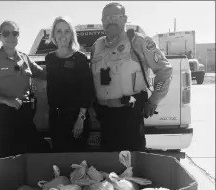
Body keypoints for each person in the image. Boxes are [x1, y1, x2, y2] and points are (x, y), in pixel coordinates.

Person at [91, 3, 173, 152]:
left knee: (133, 164)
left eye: (115, 17)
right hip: (104, 116)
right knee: (108, 165)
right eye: (106, 18)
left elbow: (164, 71)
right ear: (102, 21)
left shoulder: (138, 42)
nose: (110, 21)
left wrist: (154, 100)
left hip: (130, 115)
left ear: (124, 19)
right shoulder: (96, 46)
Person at [0, 20, 51, 159]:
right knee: (6, 161)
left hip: (23, 116)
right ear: (0, 37)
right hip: (1, 119)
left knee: (38, 153)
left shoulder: (24, 58)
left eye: (15, 33)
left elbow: (44, 73)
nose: (11, 36)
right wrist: (6, 100)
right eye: (6, 33)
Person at [45, 16, 95, 152]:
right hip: (56, 119)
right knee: (59, 160)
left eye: (67, 31)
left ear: (72, 34)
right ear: (54, 34)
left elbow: (87, 90)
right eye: (59, 31)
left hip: (77, 118)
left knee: (78, 161)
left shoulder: (80, 58)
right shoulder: (49, 58)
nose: (63, 35)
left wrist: (81, 119)